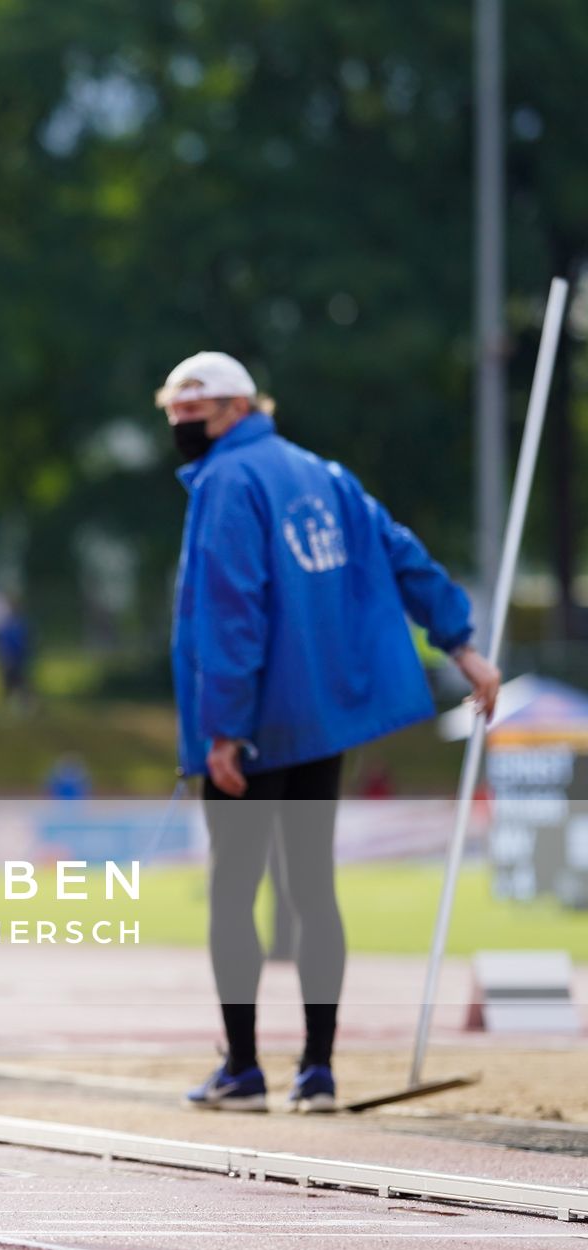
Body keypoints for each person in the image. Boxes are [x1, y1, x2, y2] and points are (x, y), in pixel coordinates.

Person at [158, 351, 499, 1114]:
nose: (181, 425)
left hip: (250, 729)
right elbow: (401, 552)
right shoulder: (326, 474)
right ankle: (318, 1069)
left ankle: (244, 1069)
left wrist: (224, 730)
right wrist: (464, 645)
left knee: (233, 893)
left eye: (195, 411)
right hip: (320, 721)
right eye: (173, 412)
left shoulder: (225, 481)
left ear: (240, 409)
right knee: (314, 886)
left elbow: (233, 609)